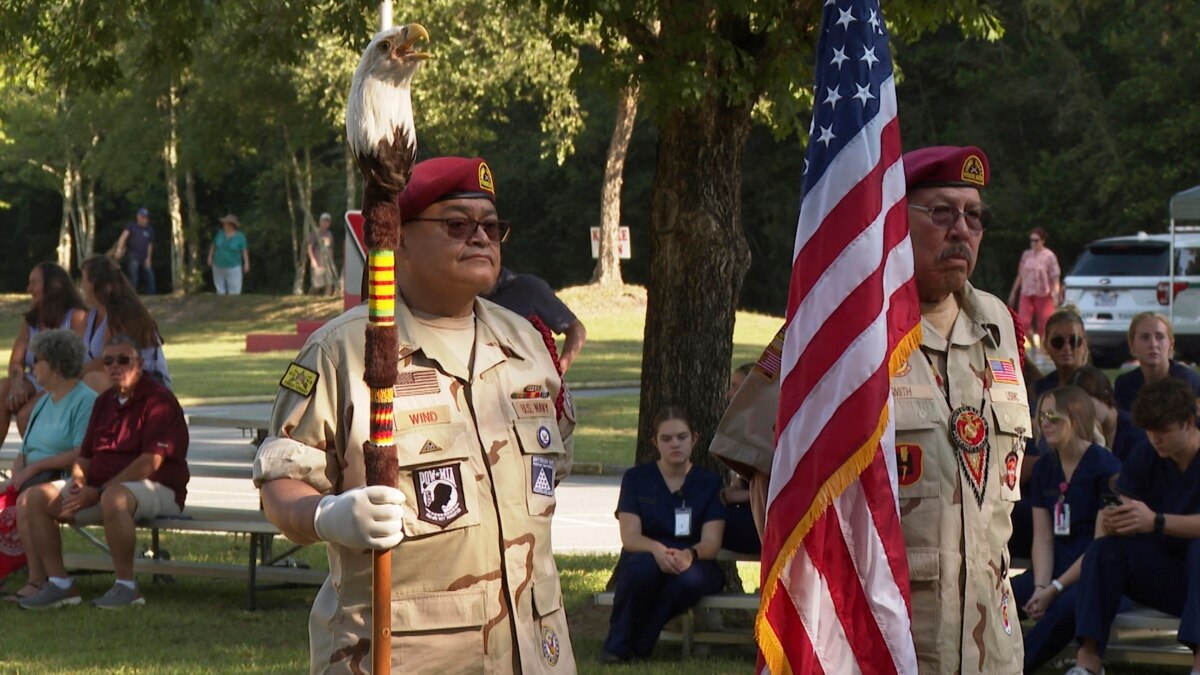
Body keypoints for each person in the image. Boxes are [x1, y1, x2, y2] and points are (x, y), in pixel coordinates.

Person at [254, 156, 577, 672]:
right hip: (405, 653)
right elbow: (280, 485)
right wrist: (327, 515)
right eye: (456, 224)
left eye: (492, 227)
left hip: (535, 648)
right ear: (398, 236)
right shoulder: (344, 352)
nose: (481, 238)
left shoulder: (528, 346)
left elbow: (550, 472)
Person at [892, 145, 1029, 673]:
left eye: (974, 216)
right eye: (942, 212)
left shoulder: (1000, 326)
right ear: (894, 223)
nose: (961, 230)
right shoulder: (848, 332)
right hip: (894, 637)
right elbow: (779, 484)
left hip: (991, 641)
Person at [18, 335, 189, 610]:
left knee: (114, 497)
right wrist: (78, 482)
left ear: (140, 363)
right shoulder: (104, 402)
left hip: (157, 488)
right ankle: (60, 584)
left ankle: (127, 587)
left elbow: (151, 463)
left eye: (124, 360)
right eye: (108, 361)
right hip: (99, 489)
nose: (114, 366)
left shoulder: (158, 401)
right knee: (35, 498)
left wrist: (96, 491)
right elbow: (84, 457)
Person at [1069, 377, 1200, 675]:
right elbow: (1124, 504)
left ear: (1189, 422)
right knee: (1104, 550)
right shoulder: (1147, 454)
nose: (1155, 438)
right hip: (1165, 574)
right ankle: (1087, 663)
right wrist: (1119, 521)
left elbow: (1151, 521)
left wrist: (1156, 521)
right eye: (1150, 431)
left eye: (1163, 431)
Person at [600, 406, 726, 663]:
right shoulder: (636, 478)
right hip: (646, 553)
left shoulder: (710, 482)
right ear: (654, 442)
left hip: (695, 559)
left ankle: (641, 643)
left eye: (681, 437)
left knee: (686, 582)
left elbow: (712, 542)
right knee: (639, 570)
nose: (675, 444)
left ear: (695, 438)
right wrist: (658, 551)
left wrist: (689, 554)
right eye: (666, 439)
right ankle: (615, 646)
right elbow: (630, 537)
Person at [1011, 386, 1121, 672]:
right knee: (999, 597)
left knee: (1063, 609)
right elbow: (1043, 537)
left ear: (1077, 418)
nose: (1044, 423)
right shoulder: (1046, 466)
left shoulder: (1105, 467)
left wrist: (1054, 590)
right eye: (1041, 416)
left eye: (1053, 416)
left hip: (1092, 573)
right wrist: (1040, 586)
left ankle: (1014, 668)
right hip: (1053, 568)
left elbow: (1100, 546)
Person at [2, 329, 98, 603]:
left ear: (55, 366)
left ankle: (38, 580)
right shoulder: (43, 401)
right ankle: (32, 578)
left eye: (38, 360)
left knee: (26, 501)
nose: (32, 367)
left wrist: (32, 470)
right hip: (34, 476)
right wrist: (19, 470)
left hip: (68, 477)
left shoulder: (85, 400)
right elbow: (26, 448)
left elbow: (81, 452)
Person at [0, 263, 87, 439]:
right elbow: (16, 361)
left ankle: (37, 462)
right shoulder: (31, 321)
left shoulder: (76, 317)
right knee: (3, 388)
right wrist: (17, 382)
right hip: (36, 379)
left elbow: (77, 363)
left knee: (26, 415)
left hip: (63, 382)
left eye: (34, 283)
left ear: (52, 286)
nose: (28, 289)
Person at [79, 256, 171, 391]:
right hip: (117, 380)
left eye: (83, 280)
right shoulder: (92, 315)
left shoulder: (122, 315)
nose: (81, 286)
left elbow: (109, 360)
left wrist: (75, 374)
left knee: (90, 381)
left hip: (148, 383)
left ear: (100, 285)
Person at [484, 266, 587, 372]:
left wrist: (560, 369)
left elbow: (576, 329)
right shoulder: (467, 295)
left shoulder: (528, 288)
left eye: (490, 247)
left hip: (528, 383)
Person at [1113, 311, 1200, 412]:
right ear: (1132, 346)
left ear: (1171, 345)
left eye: (1160, 337)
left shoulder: (1189, 382)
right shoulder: (1125, 385)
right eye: (1145, 337)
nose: (1153, 344)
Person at [718, 364, 760, 556]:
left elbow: (773, 491)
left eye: (736, 387)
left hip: (765, 522)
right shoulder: (745, 429)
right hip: (750, 513)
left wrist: (736, 496)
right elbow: (741, 481)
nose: (729, 394)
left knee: (706, 520)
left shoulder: (768, 433)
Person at [1071, 365, 1148, 463]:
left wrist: (1099, 447)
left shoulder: (1136, 432)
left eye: (1087, 404)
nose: (1082, 413)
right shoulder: (1081, 433)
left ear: (1105, 395)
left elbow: (1129, 475)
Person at [1008, 226, 1061, 347]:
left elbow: (1055, 277)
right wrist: (1013, 292)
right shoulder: (1027, 255)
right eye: (1031, 240)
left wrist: (1056, 295)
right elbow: (1020, 274)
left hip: (1043, 294)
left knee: (1044, 326)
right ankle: (1034, 347)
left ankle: (1044, 349)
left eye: (1036, 240)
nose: (1033, 243)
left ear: (1042, 240)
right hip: (1026, 293)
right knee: (1023, 323)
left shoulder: (1049, 256)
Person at [1032, 307, 1091, 405]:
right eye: (1057, 341)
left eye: (1074, 341)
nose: (1067, 347)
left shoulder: (1096, 386)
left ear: (1085, 343)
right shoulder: (1039, 388)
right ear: (1046, 345)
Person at [114, 206, 156, 295]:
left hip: (144, 256)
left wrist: (149, 258)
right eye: (142, 217)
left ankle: (152, 295)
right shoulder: (131, 226)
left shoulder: (149, 230)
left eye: (146, 217)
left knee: (150, 276)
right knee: (133, 276)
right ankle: (132, 295)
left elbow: (150, 245)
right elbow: (123, 237)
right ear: (138, 217)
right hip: (133, 255)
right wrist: (119, 249)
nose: (144, 219)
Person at [207, 213, 250, 296]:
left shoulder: (240, 237)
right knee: (220, 290)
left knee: (234, 291)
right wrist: (210, 256)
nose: (223, 225)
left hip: (233, 267)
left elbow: (244, 250)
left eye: (225, 223)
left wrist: (246, 263)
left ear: (231, 225)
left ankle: (233, 307)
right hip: (218, 265)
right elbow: (214, 245)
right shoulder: (220, 233)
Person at [307, 213, 339, 296]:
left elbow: (331, 248)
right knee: (317, 285)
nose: (325, 223)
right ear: (320, 221)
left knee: (329, 283)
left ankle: (326, 299)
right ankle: (309, 298)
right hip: (318, 262)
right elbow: (309, 247)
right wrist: (313, 260)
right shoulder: (315, 232)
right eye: (324, 221)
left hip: (328, 262)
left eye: (327, 222)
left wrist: (331, 262)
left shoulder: (329, 234)